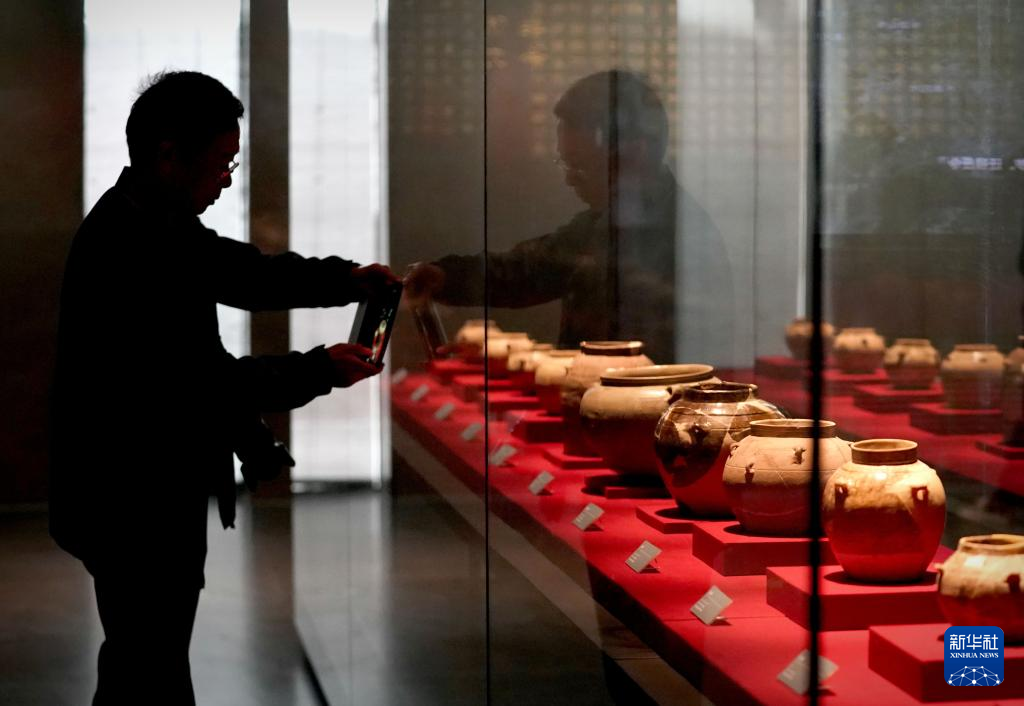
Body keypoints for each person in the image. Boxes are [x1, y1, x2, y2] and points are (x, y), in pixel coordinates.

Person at [48, 71, 398, 704]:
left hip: (141, 491)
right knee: (147, 666)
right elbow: (197, 383)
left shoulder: (154, 221)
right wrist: (318, 369)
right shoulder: (128, 243)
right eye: (220, 163)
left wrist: (347, 281)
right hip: (133, 497)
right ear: (168, 153)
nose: (227, 180)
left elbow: (246, 275)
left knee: (145, 659)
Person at [405, 70, 733, 365]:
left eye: (579, 166)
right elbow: (529, 269)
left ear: (634, 153)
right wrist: (446, 277)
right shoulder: (607, 222)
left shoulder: (681, 237)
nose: (569, 180)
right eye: (564, 164)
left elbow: (653, 368)